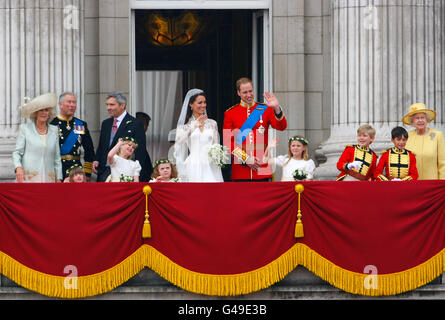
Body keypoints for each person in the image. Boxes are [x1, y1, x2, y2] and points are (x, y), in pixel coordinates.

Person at [223, 77, 287, 181]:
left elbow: (281, 127)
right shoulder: (230, 113)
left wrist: (276, 108)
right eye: (245, 92)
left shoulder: (264, 109)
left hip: (262, 168)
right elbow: (227, 143)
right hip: (241, 171)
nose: (249, 95)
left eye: (250, 91)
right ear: (238, 93)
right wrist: (246, 159)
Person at [93, 92, 151, 182]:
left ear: (122, 105)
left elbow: (140, 151)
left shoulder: (135, 124)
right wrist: (96, 160)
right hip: (104, 171)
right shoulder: (106, 123)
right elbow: (102, 146)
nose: (108, 108)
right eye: (107, 105)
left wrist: (137, 175)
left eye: (112, 105)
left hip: (124, 173)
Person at [173, 89, 224, 182]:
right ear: (191, 104)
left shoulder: (213, 123)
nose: (203, 105)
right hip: (193, 164)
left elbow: (216, 144)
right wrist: (194, 126)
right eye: (200, 103)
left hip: (210, 165)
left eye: (204, 102)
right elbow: (179, 142)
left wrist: (217, 155)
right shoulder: (186, 126)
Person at [13, 93, 63, 182]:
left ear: (49, 113)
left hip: (48, 179)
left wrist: (59, 178)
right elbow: (17, 152)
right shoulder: (25, 129)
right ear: (35, 112)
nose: (44, 113)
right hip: (29, 178)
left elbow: (57, 158)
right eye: (41, 110)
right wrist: (18, 168)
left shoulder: (54, 130)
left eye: (46, 110)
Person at [50, 92, 95, 181]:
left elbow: (89, 150)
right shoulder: (52, 124)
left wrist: (87, 172)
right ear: (60, 104)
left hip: (76, 170)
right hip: (57, 169)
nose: (72, 105)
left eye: (74, 102)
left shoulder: (80, 124)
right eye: (69, 102)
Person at [402, 103, 445, 180]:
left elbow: (443, 163)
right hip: (413, 183)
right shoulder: (407, 136)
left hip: (432, 183)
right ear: (412, 121)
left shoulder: (437, 135)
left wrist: (442, 183)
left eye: (423, 117)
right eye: (417, 118)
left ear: (427, 119)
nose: (420, 120)